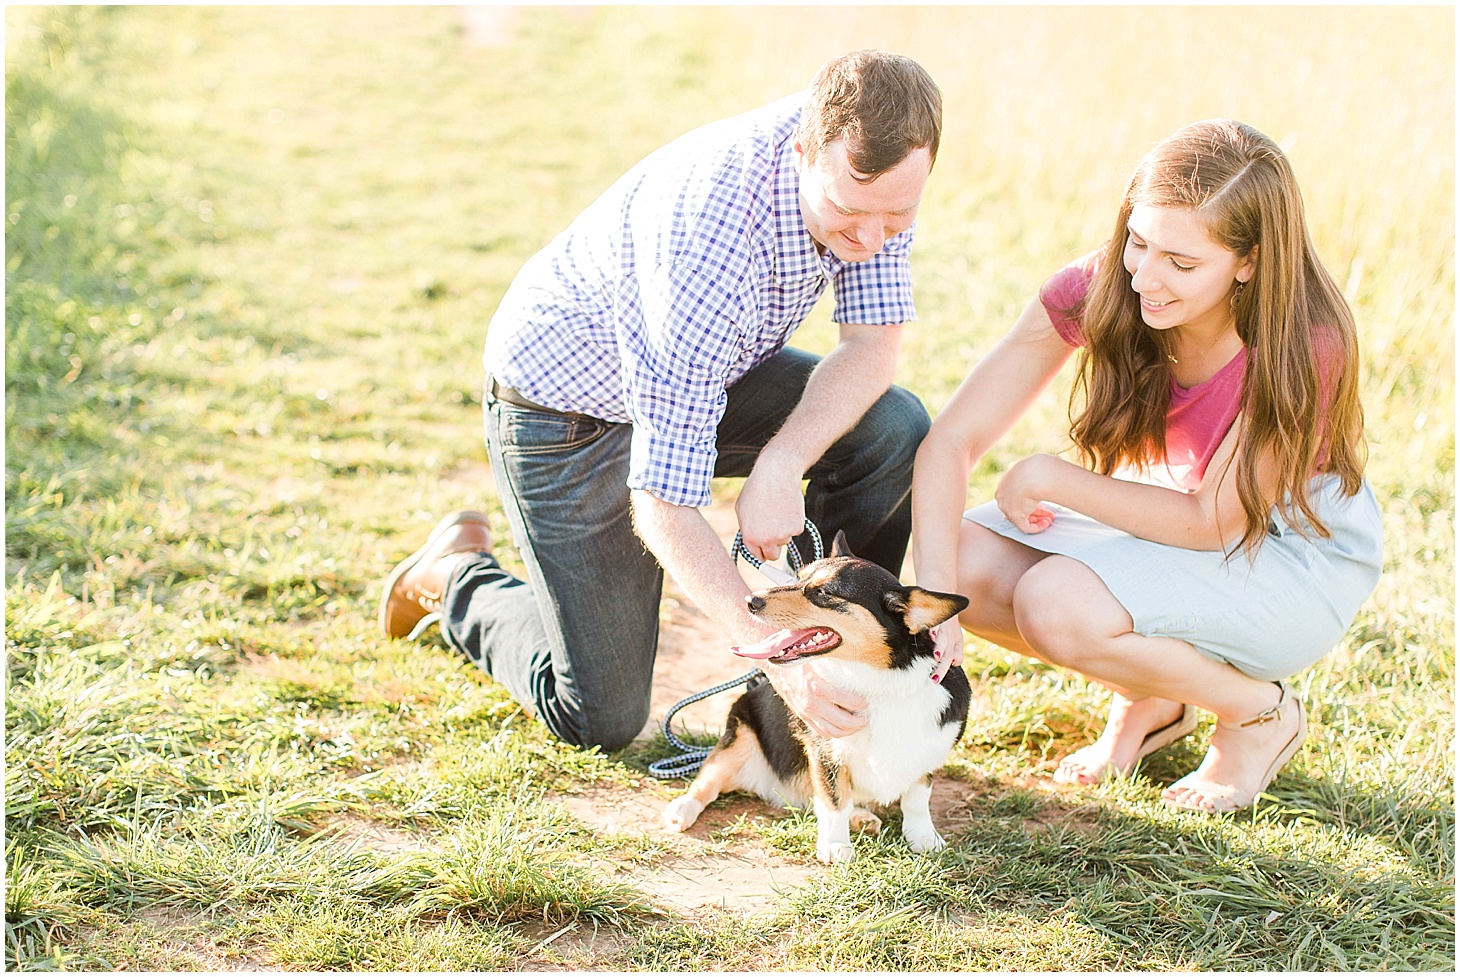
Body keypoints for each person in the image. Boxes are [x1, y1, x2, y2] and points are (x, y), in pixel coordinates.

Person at [379, 51, 943, 753]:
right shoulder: (705, 244)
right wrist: (767, 647)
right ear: (802, 149)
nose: (869, 241)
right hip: (567, 416)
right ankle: (456, 578)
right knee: (600, 715)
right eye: (849, 214)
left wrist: (780, 463)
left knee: (891, 426)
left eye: (897, 217)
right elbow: (663, 500)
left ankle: (841, 677)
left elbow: (869, 349)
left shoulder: (876, 169)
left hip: (704, 375)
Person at [912, 119, 1383, 813]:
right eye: (1138, 240)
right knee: (954, 559)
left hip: (1293, 549)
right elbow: (948, 441)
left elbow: (1210, 523)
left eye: (1182, 264)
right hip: (1176, 510)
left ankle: (1258, 714)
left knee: (1057, 601)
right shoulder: (1104, 283)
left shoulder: (1305, 339)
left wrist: (1052, 476)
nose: (1145, 277)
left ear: (1248, 261)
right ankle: (1154, 694)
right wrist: (934, 604)